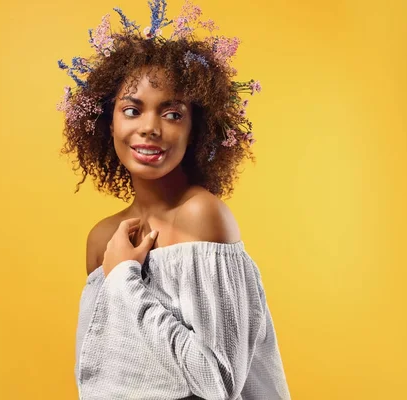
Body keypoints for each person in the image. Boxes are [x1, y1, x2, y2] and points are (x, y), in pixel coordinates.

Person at [57, 1, 290, 398]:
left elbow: (219, 383)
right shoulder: (103, 239)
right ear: (107, 122)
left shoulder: (202, 215)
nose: (149, 127)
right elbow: (101, 377)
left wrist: (124, 281)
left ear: (195, 128)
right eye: (131, 110)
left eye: (172, 114)